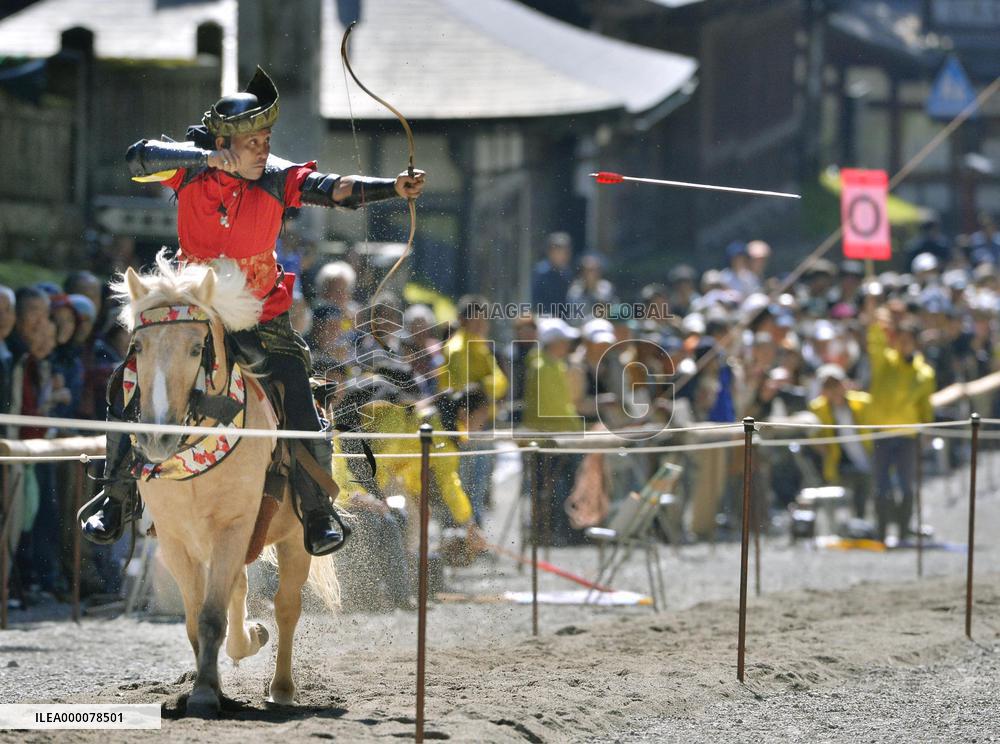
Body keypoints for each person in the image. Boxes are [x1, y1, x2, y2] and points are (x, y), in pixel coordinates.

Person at [78, 67, 426, 556]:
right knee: (129, 377)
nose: (264, 147)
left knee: (299, 393)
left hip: (260, 312)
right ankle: (116, 495)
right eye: (254, 140)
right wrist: (206, 157)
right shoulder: (189, 169)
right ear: (225, 141)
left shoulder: (279, 177)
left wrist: (393, 186)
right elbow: (137, 159)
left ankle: (318, 510)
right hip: (193, 307)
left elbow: (336, 188)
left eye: (267, 138)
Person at [531, 232, 573, 318]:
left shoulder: (567, 272)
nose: (562, 256)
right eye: (558, 252)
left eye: (565, 252)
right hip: (545, 317)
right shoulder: (541, 271)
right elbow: (536, 301)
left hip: (564, 319)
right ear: (550, 252)